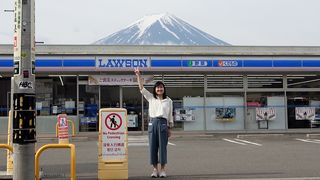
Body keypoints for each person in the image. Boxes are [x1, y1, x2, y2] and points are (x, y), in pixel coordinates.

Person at [134, 67, 173, 178]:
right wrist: (138, 75)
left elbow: (170, 115)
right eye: (157, 88)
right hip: (153, 123)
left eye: (161, 87)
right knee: (153, 147)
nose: (159, 89)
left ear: (164, 89)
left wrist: (170, 128)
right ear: (155, 89)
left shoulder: (169, 100)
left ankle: (163, 170)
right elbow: (141, 88)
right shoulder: (151, 98)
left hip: (163, 124)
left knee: (163, 148)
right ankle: (155, 170)